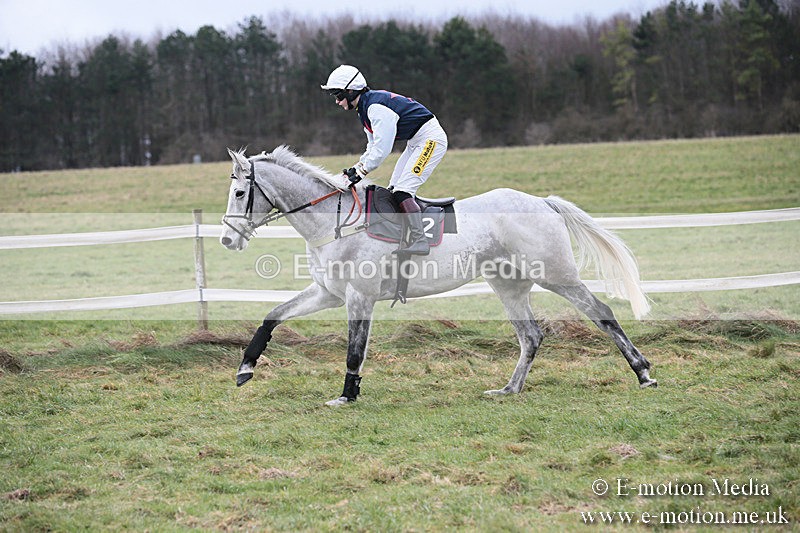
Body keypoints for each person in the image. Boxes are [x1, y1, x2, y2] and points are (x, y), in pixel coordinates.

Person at [321, 64, 448, 255]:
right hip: (416, 142)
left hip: (430, 140)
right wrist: (356, 168)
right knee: (393, 190)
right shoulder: (364, 109)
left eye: (338, 96)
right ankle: (402, 235)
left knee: (403, 191)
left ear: (350, 91)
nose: (337, 102)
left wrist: (361, 172)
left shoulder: (375, 107)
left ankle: (420, 241)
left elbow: (382, 150)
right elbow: (371, 147)